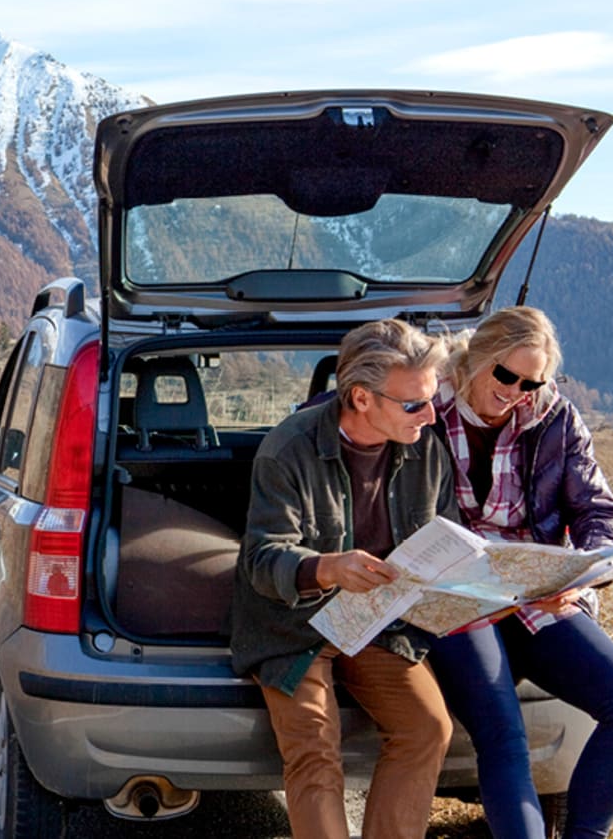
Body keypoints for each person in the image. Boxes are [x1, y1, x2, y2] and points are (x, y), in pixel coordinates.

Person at [424, 306, 613, 839]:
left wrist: (581, 576)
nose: (517, 392)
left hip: (536, 592)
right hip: (457, 594)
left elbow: (598, 512)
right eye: (506, 375)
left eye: (533, 382)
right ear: (475, 358)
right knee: (503, 732)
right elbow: (350, 414)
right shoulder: (427, 407)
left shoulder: (555, 419)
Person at [232, 318, 456, 839]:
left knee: (427, 729)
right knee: (314, 748)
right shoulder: (287, 450)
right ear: (360, 398)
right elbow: (262, 559)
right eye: (413, 404)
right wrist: (328, 567)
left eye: (432, 400)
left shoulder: (426, 447)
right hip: (294, 624)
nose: (429, 416)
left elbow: (446, 533)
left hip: (380, 620)